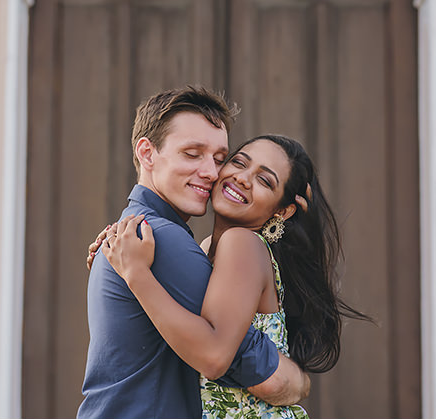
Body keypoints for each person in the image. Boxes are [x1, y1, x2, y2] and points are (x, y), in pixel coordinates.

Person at [78, 86, 310, 418]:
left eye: (219, 158)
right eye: (192, 154)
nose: (211, 172)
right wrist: (299, 380)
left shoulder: (141, 234)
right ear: (147, 153)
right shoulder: (160, 239)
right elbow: (241, 361)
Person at [100, 133, 368, 418]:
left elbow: (214, 357)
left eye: (265, 180)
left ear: (282, 210)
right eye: (239, 163)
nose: (242, 178)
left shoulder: (242, 243)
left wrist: (136, 275)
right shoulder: (207, 250)